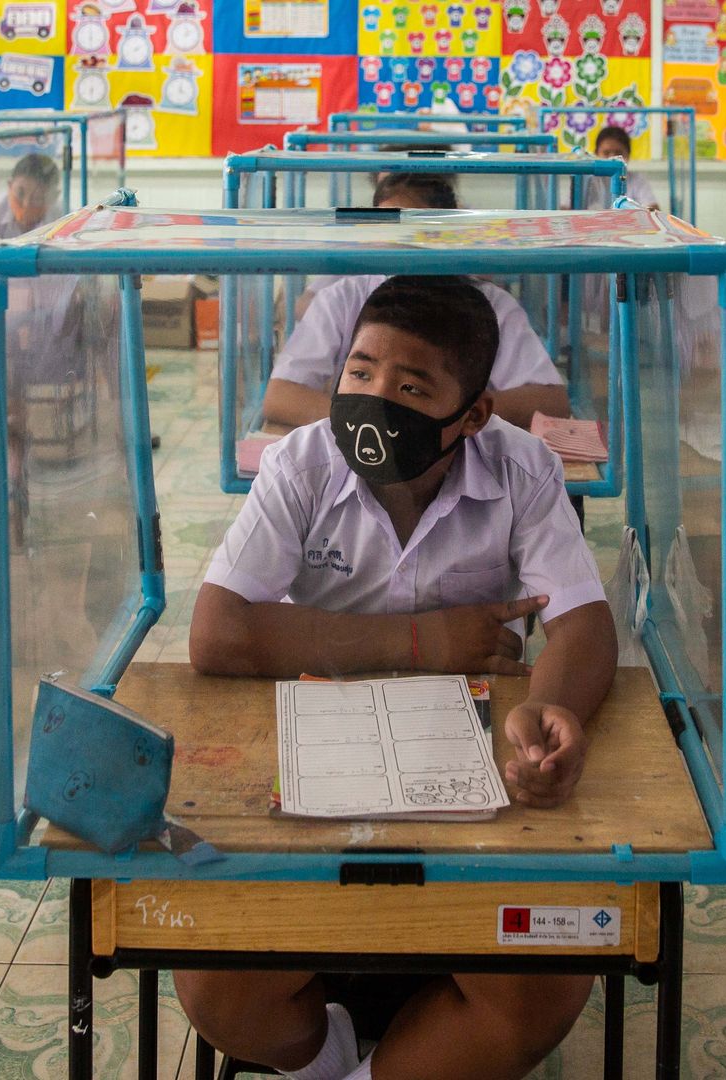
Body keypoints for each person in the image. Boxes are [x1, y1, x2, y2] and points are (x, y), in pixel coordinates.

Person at [185, 275, 615, 1080]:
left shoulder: (522, 469)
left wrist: (549, 710)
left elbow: (584, 622)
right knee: (215, 983)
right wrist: (429, 640)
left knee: (546, 985)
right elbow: (219, 632)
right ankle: (327, 1056)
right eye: (359, 372)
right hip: (320, 770)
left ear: (473, 415)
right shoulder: (303, 462)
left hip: (470, 774)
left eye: (411, 386)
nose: (374, 399)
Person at [265, 175, 570, 432]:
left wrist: (438, 418)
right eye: (386, 229)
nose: (398, 243)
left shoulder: (489, 305)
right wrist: (375, 420)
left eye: (416, 230)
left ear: (448, 235)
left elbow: (550, 402)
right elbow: (280, 396)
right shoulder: (343, 298)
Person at [586, 125, 659, 210]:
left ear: (628, 154)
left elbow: (653, 209)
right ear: (596, 154)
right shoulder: (587, 181)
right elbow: (567, 208)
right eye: (606, 153)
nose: (612, 158)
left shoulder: (637, 180)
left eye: (618, 153)